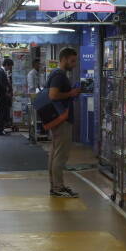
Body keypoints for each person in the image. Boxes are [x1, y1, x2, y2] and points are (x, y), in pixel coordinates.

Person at [47, 48, 80, 197]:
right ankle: (58, 187)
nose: (74, 64)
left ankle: (56, 185)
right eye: (72, 61)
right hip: (62, 120)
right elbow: (53, 95)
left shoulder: (57, 74)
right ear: (64, 59)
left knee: (55, 153)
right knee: (60, 154)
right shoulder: (59, 75)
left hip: (57, 119)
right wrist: (71, 93)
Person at [0, 58, 14, 136]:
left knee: (3, 112)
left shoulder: (3, 72)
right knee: (1, 113)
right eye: (10, 66)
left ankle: (2, 129)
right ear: (6, 65)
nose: (10, 68)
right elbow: (0, 84)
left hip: (3, 95)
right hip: (2, 95)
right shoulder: (0, 72)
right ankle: (0, 130)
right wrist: (6, 92)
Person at [26, 59, 42, 143]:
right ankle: (32, 135)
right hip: (32, 98)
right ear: (35, 64)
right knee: (32, 117)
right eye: (38, 64)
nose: (40, 65)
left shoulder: (36, 73)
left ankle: (36, 132)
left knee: (35, 117)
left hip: (37, 98)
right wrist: (38, 91)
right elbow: (32, 87)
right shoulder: (31, 74)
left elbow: (38, 86)